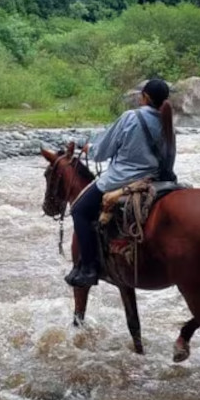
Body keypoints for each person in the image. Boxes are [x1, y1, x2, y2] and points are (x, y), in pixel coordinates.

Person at [67, 78, 176, 288]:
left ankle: (89, 267)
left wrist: (90, 149)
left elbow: (101, 153)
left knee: (79, 210)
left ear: (144, 97)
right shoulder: (167, 121)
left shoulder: (130, 117)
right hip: (155, 180)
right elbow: (169, 158)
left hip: (122, 179)